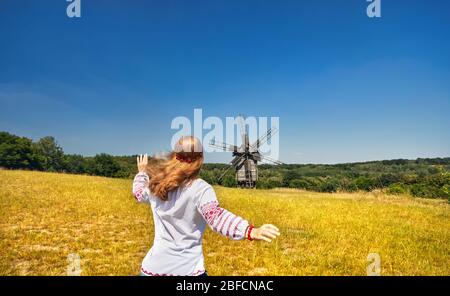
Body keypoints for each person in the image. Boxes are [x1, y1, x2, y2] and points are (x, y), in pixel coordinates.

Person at [132, 136, 280, 276]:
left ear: (174, 156)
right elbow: (216, 217)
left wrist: (142, 173)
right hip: (187, 270)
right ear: (199, 160)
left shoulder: (156, 185)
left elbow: (138, 193)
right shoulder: (200, 189)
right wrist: (249, 231)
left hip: (152, 269)